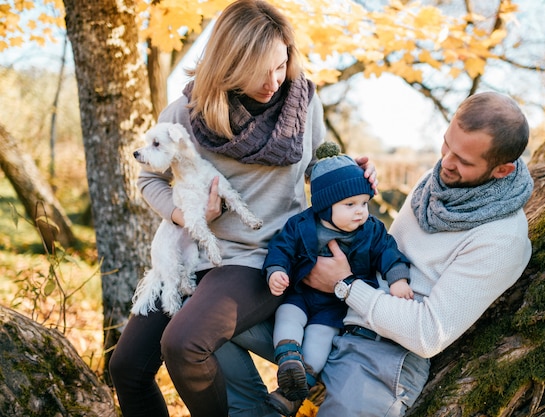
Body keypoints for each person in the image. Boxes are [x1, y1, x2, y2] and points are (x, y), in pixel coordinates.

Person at [107, 1, 377, 416]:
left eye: (281, 66)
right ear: (229, 63)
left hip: (264, 257)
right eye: (260, 70)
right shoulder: (185, 113)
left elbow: (318, 165)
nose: (274, 81)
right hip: (192, 256)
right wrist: (185, 217)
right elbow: (149, 180)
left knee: (184, 344)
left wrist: (350, 172)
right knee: (126, 367)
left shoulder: (302, 102)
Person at [221, 91, 534, 416]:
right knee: (209, 324)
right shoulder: (439, 182)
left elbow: (428, 334)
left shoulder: (502, 238)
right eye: (446, 144)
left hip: (381, 354)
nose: (446, 161)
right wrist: (351, 188)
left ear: (502, 170)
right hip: (329, 315)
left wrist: (344, 285)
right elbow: (379, 244)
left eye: (464, 160)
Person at [262, 143, 413, 415]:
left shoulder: (371, 230)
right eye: (350, 204)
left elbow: (388, 252)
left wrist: (398, 280)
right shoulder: (301, 225)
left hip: (334, 307)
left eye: (365, 203)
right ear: (323, 205)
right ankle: (287, 358)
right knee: (287, 317)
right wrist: (277, 270)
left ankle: (295, 389)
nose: (360, 211)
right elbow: (280, 247)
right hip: (301, 293)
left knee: (319, 343)